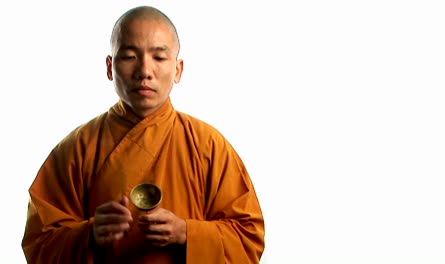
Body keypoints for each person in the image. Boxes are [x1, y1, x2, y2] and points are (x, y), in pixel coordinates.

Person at [21, 5, 265, 264]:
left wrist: (188, 233)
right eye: (128, 56)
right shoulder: (76, 149)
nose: (144, 71)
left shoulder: (208, 145)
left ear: (178, 69)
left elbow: (249, 237)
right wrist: (88, 234)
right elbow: (39, 242)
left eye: (159, 58)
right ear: (109, 67)